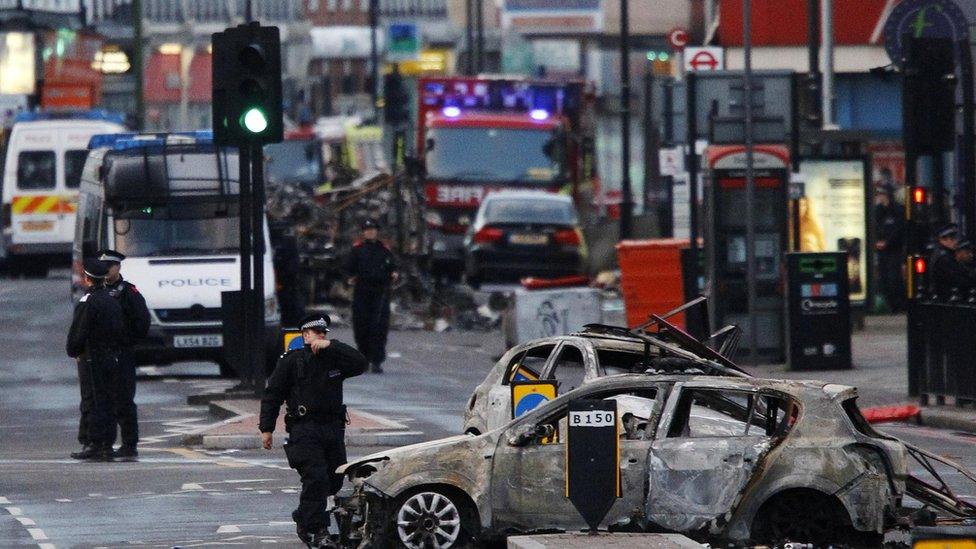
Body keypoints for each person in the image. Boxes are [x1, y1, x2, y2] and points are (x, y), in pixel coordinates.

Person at [260, 314, 367, 547]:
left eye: (323, 333)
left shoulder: (334, 358)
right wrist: (266, 429)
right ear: (305, 336)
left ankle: (304, 515)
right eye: (316, 333)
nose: (320, 336)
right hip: (304, 429)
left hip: (332, 428)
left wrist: (334, 346)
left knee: (335, 479)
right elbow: (273, 395)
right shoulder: (292, 361)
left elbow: (360, 363)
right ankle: (316, 529)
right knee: (315, 478)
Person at [67, 259, 127, 461]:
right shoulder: (112, 300)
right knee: (108, 399)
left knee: (92, 400)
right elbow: (120, 329)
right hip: (111, 356)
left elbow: (79, 331)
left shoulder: (88, 301)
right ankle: (108, 444)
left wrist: (74, 350)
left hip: (91, 358)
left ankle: (94, 443)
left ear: (87, 279)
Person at [97, 249, 151, 459]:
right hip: (101, 353)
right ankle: (104, 443)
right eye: (104, 267)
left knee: (124, 399)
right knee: (103, 400)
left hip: (122, 352)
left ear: (118, 267)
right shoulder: (96, 291)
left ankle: (129, 444)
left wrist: (128, 342)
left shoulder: (129, 292)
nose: (107, 270)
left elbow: (142, 322)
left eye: (110, 266)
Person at [344, 219, 398, 373]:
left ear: (377, 232)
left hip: (380, 293)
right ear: (364, 232)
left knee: (378, 327)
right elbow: (346, 268)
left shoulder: (384, 250)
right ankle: (364, 358)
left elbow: (393, 266)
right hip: (362, 291)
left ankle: (376, 360)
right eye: (367, 230)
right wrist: (349, 278)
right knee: (361, 326)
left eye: (373, 229)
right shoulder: (357, 250)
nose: (370, 232)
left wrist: (394, 274)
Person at [874, 188, 906, 311]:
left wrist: (887, 242)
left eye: (883, 194)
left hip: (894, 250)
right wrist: (877, 242)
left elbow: (899, 229)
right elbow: (875, 227)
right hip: (882, 251)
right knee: (884, 278)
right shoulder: (878, 211)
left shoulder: (897, 210)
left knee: (894, 277)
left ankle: (898, 304)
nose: (881, 197)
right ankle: (890, 304)